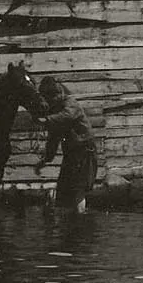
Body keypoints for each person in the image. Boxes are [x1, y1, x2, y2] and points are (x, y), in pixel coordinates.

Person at [35, 75, 98, 214]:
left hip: (84, 150)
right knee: (65, 190)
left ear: (58, 94)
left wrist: (46, 120)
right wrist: (46, 160)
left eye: (50, 97)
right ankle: (73, 223)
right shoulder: (55, 112)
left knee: (78, 188)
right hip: (71, 154)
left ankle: (81, 220)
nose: (49, 101)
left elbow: (67, 116)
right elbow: (53, 139)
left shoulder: (70, 103)